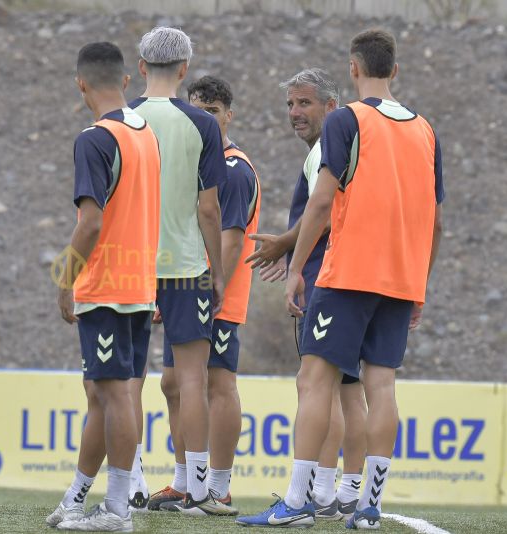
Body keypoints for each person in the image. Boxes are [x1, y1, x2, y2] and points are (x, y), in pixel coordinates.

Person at [237, 28, 443, 529]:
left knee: (314, 381)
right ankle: (367, 506)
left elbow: (323, 201)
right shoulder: (425, 130)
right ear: (394, 70)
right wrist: (420, 284)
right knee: (381, 386)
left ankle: (297, 502)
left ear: (353, 69)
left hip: (348, 273)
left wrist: (294, 270)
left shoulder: (348, 118)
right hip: (400, 279)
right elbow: (436, 220)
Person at [48, 41, 161, 532]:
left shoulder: (95, 138)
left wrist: (64, 276)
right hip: (138, 283)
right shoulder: (145, 134)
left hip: (107, 286)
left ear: (80, 84)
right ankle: (75, 499)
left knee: (114, 396)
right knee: (102, 393)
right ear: (127, 82)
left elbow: (90, 223)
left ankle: (118, 510)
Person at [246, 68, 368, 521]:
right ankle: (343, 492)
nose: (295, 113)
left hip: (327, 276)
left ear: (331, 107)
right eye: (290, 105)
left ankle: (317, 493)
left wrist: (289, 251)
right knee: (346, 388)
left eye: (304, 104)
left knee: (322, 387)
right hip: (346, 274)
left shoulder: (326, 148)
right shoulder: (338, 146)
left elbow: (322, 207)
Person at [128, 27, 228, 515]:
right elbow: (209, 209)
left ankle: (129, 482)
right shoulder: (203, 125)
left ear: (142, 67)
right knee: (192, 378)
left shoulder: (119, 120)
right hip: (187, 266)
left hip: (130, 266)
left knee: (128, 378)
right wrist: (220, 271)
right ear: (184, 70)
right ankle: (201, 487)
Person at [152, 75, 260, 516]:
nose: (206, 120)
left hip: (216, 292)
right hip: (187, 286)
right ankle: (184, 481)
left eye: (213, 112)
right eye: (199, 112)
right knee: (174, 383)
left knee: (217, 384)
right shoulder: (197, 164)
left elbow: (231, 239)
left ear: (228, 116)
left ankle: (218, 485)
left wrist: (214, 289)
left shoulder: (232, 169)